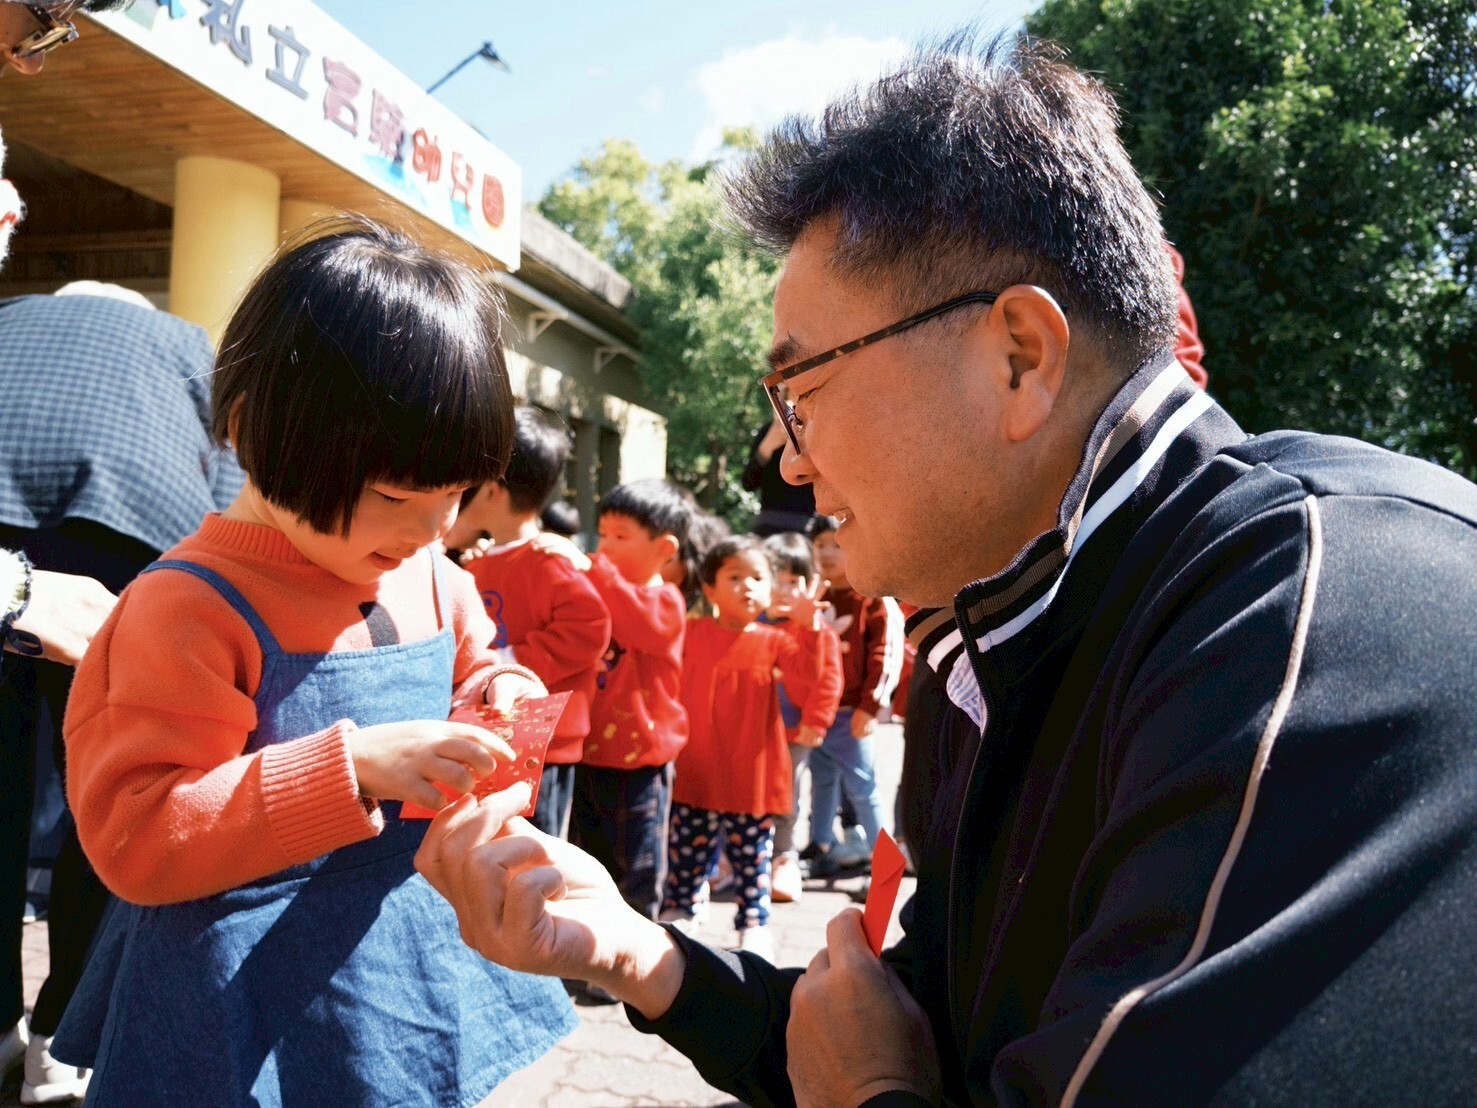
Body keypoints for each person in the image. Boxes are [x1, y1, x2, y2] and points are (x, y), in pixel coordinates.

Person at [415, 30, 1477, 1106]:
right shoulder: (993, 633)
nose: (785, 454)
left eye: (801, 388)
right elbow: (922, 1031)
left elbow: (894, 1073)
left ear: (1018, 355)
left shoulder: (1310, 614)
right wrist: (636, 955)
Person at [49, 218, 576, 1105]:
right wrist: (355, 768)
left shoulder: (428, 574)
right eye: (395, 496)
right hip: (241, 1000)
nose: (427, 531)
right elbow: (138, 833)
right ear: (261, 431)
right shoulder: (186, 607)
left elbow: (476, 665)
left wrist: (501, 690)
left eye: (454, 499)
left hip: (405, 970)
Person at [0, 281, 246, 1104]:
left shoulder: (12, 316)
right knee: (107, 793)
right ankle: (57, 1044)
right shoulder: (183, 343)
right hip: (132, 534)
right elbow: (228, 483)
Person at [660, 535, 830, 961]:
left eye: (757, 577)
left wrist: (811, 628)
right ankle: (683, 905)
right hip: (697, 762)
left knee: (753, 854)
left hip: (751, 769)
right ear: (710, 587)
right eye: (734, 577)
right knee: (688, 846)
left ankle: (753, 921)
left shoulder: (776, 640)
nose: (747, 586)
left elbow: (809, 680)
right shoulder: (690, 631)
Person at [451, 407, 611, 839]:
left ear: (491, 489)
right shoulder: (486, 560)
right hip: (503, 733)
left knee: (536, 850)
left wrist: (509, 660)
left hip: (547, 741)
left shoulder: (549, 561)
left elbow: (590, 627)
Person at [566, 479, 690, 923]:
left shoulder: (666, 600)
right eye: (603, 534)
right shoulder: (600, 586)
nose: (606, 547)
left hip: (641, 759)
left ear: (664, 548)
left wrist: (598, 572)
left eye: (621, 536)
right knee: (587, 858)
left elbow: (640, 624)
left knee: (636, 864)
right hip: (589, 751)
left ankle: (635, 959)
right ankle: (588, 951)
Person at [803, 515, 903, 877]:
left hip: (851, 714)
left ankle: (883, 861)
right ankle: (820, 846)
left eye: (837, 545)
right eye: (820, 546)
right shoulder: (813, 596)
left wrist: (870, 707)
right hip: (818, 713)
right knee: (822, 781)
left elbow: (885, 652)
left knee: (863, 787)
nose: (828, 554)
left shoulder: (871, 596)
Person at [760, 531, 842, 905]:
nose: (783, 589)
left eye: (793, 581)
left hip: (793, 730)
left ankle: (783, 857)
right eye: (774, 578)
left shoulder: (815, 629)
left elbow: (826, 680)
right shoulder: (752, 622)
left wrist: (817, 721)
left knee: (787, 796)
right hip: (751, 730)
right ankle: (741, 856)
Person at [742, 405, 818, 537]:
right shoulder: (767, 432)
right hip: (767, 526)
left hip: (807, 526)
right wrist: (767, 447)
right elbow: (748, 483)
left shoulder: (816, 432)